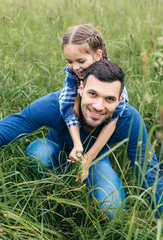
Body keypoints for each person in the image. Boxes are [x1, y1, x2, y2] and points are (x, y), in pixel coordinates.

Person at [0, 60, 163, 233]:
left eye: (109, 99)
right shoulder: (55, 105)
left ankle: (83, 187)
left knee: (113, 211)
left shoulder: (128, 118)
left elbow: (148, 171)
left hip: (97, 162)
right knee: (38, 154)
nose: (98, 106)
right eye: (93, 94)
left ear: (120, 100)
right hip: (55, 154)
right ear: (81, 88)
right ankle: (49, 188)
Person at [59, 24, 128, 182]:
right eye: (70, 61)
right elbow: (66, 103)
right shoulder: (73, 71)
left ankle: (99, 160)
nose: (75, 67)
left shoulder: (112, 78)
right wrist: (77, 143)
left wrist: (89, 158)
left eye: (81, 61)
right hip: (76, 131)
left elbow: (116, 115)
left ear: (98, 55)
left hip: (99, 138)